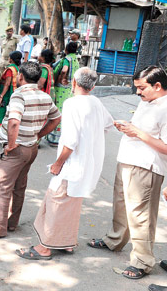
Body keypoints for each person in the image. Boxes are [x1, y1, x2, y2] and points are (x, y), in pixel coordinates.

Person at [16, 68, 113, 260]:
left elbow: (70, 141)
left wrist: (58, 163)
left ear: (74, 83)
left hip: (72, 164)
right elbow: (108, 125)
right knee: (72, 204)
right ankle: (67, 242)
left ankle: (44, 248)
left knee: (56, 203)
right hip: (87, 164)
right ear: (92, 87)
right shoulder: (96, 102)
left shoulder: (72, 104)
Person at [89, 66, 167, 280]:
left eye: (142, 88)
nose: (138, 93)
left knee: (141, 217)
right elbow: (142, 129)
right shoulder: (147, 102)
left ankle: (142, 261)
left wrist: (138, 133)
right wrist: (128, 127)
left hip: (146, 167)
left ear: (158, 86)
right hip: (127, 161)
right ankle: (115, 240)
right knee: (122, 206)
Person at [0, 62, 61, 239]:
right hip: (31, 148)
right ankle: (11, 224)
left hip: (17, 148)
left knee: (1, 186)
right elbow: (56, 118)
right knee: (19, 186)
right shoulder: (44, 96)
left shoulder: (19, 96)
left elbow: (14, 121)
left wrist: (11, 145)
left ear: (20, 77)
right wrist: (37, 135)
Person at [47, 42, 80, 145]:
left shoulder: (67, 59)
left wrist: (61, 78)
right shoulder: (76, 59)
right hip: (70, 88)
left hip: (62, 88)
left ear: (66, 49)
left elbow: (64, 69)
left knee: (57, 111)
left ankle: (55, 138)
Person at [0, 51, 21, 144]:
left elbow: (7, 84)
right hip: (13, 93)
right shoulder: (17, 68)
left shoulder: (9, 69)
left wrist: (1, 96)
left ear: (11, 59)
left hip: (5, 94)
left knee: (0, 115)